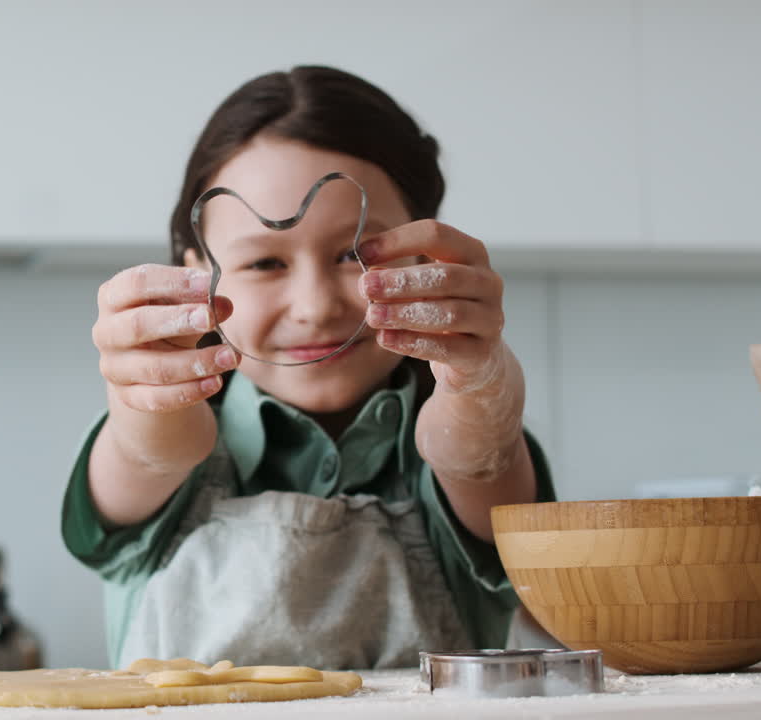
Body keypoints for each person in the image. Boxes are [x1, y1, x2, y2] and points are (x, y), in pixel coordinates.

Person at [61, 65, 554, 670]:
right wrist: (142, 391)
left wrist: (481, 383)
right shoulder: (175, 444)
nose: (316, 307)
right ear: (197, 275)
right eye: (265, 263)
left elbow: (477, 454)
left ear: (429, 259)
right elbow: (152, 450)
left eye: (353, 255)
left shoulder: (458, 443)